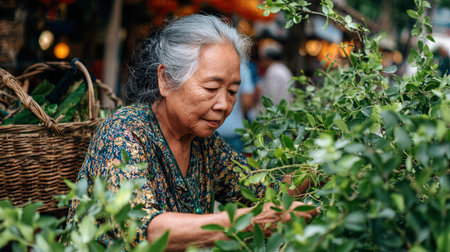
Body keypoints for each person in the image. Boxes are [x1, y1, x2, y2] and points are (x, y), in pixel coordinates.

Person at [66, 14, 318, 250]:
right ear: (165, 80)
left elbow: (266, 193)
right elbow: (145, 228)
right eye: (211, 88)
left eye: (232, 92)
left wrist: (323, 167)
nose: (223, 105)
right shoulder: (124, 131)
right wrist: (250, 221)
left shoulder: (206, 145)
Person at [250, 39, 293, 120]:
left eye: (263, 58)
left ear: (268, 58)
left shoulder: (273, 71)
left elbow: (271, 98)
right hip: (283, 115)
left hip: (275, 117)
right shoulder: (284, 69)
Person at [217, 63, 255, 153]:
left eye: (232, 92)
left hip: (210, 131)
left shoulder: (207, 62)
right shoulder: (242, 68)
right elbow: (247, 102)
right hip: (234, 130)